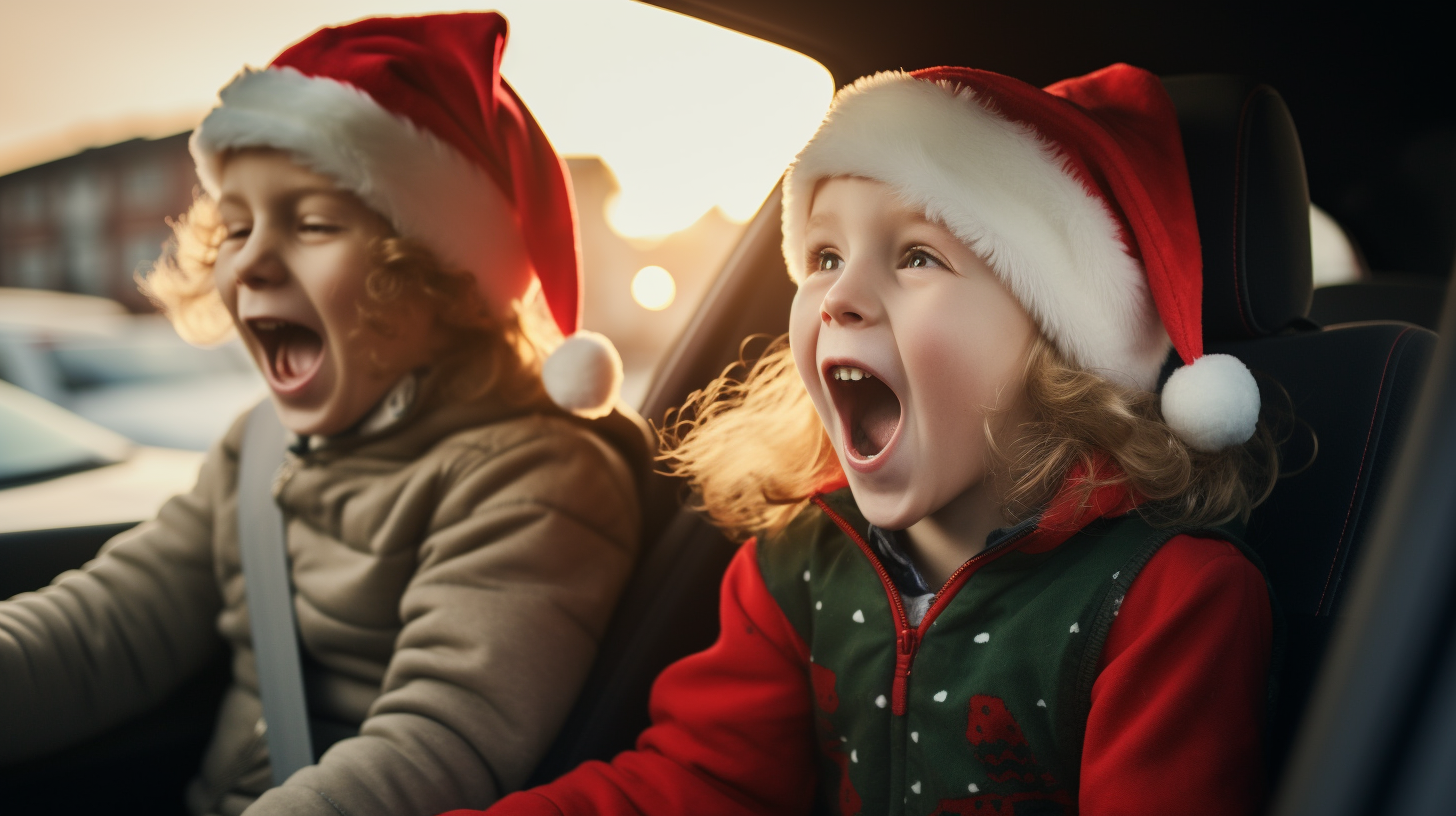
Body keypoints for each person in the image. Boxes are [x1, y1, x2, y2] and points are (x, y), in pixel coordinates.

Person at [467, 64, 1281, 816]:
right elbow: (704, 782)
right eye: (824, 255)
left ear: (1058, 349)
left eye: (919, 256)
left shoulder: (1163, 598)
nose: (839, 296)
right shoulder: (796, 564)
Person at [0, 13, 643, 816]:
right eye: (234, 226)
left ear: (440, 276)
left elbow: (439, 744)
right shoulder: (259, 445)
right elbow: (108, 625)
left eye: (311, 224)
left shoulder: (533, 478)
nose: (251, 260)